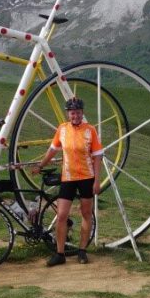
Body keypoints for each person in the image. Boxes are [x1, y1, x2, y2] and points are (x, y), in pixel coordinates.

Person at [33, 96, 102, 266]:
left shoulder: (90, 130)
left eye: (78, 112)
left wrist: (97, 181)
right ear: (68, 114)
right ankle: (60, 253)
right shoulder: (62, 129)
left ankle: (82, 251)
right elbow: (52, 150)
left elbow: (98, 157)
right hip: (68, 178)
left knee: (86, 214)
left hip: (86, 177)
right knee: (62, 215)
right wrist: (40, 166)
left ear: (82, 113)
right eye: (72, 113)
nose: (75, 116)